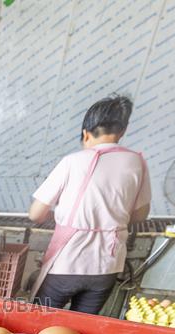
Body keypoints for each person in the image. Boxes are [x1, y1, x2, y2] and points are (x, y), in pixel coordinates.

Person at [29, 95, 151, 314]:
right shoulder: (137, 162)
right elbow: (140, 214)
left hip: (67, 262)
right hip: (107, 266)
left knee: (38, 323)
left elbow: (36, 214)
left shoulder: (73, 161)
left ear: (86, 133)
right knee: (81, 329)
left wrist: (56, 217)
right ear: (121, 132)